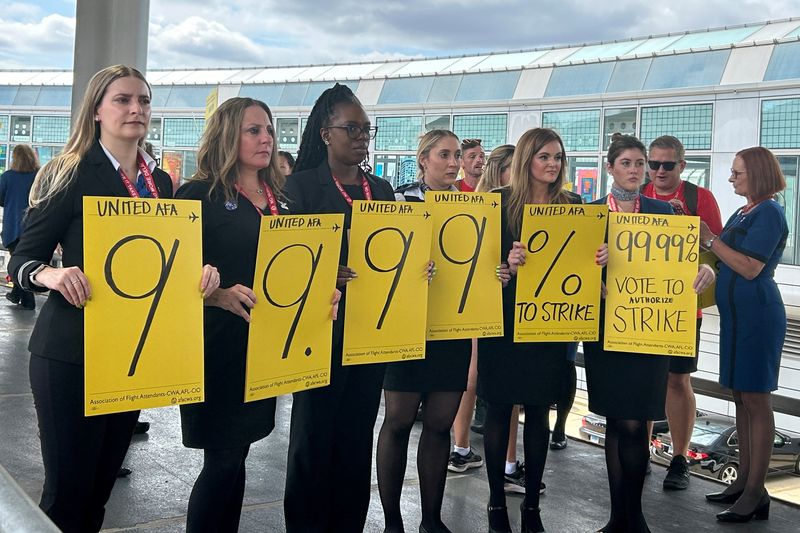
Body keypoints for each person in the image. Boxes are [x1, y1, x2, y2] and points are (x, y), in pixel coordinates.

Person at [8, 65, 219, 533]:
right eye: (123, 100)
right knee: (66, 495)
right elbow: (20, 262)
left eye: (143, 100)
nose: (135, 109)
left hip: (129, 358)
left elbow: (167, 261)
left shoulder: (160, 184)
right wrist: (51, 274)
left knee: (101, 489)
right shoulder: (70, 172)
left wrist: (200, 275)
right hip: (70, 354)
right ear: (98, 110)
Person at [376, 130, 508, 533]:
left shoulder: (477, 206)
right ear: (424, 159)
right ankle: (393, 521)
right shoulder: (398, 200)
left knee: (438, 424)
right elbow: (380, 260)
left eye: (456, 156)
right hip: (405, 328)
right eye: (444, 155)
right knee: (398, 421)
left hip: (451, 328)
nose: (453, 163)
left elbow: (489, 264)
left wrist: (500, 273)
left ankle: (431, 520)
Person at [583, 133, 714, 533]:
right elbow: (566, 271)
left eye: (640, 164)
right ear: (610, 168)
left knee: (637, 422)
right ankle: (616, 515)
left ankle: (633, 515)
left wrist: (708, 271)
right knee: (615, 420)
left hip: (651, 326)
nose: (637, 170)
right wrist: (594, 269)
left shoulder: (666, 211)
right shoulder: (588, 215)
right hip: (605, 328)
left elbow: (691, 261)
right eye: (627, 163)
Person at [482, 128, 608, 533]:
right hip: (502, 322)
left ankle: (532, 504)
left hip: (549, 325)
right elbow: (480, 270)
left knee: (538, 413)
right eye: (544, 157)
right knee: (500, 410)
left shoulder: (575, 205)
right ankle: (496, 503)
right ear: (526, 159)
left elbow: (587, 266)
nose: (553, 164)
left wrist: (599, 255)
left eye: (557, 157)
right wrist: (507, 266)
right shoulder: (496, 205)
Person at [283, 83, 394, 532]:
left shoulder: (381, 188)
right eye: (352, 128)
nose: (361, 136)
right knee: (314, 438)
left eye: (366, 128)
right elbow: (286, 261)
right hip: (318, 333)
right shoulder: (301, 187)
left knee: (355, 438)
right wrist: (322, 272)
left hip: (370, 333)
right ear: (326, 133)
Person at [175, 97, 286, 532]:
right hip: (217, 347)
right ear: (227, 136)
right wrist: (215, 293)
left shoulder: (282, 198)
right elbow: (173, 276)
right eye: (253, 130)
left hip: (265, 346)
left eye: (269, 130)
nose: (265, 139)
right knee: (222, 459)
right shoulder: (198, 195)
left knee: (239, 456)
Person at [700, 147, 787, 523]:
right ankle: (745, 482)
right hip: (738, 316)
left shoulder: (769, 212)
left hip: (758, 315)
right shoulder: (745, 210)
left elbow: (751, 267)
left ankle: (755, 490)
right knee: (740, 396)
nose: (732, 178)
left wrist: (710, 240)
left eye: (737, 172)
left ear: (757, 174)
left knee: (756, 398)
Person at [641, 135, 723, 490]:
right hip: (640, 305)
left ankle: (679, 457)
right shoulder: (637, 194)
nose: (659, 171)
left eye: (667, 165)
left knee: (678, 379)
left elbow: (717, 250)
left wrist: (695, 229)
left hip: (683, 309)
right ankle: (639, 451)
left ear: (682, 166)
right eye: (654, 164)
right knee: (644, 380)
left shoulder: (699, 198)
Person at [448, 137, 489, 472]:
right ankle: (460, 446)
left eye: (481, 156)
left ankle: (464, 444)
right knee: (468, 371)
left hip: (485, 289)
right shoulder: (455, 194)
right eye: (471, 156)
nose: (478, 161)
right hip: (458, 294)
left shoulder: (493, 196)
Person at [1, 144, 39, 310]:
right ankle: (17, 294)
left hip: (14, 227)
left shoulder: (7, 177)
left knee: (18, 261)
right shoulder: (39, 176)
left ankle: (28, 300)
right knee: (26, 261)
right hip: (35, 227)